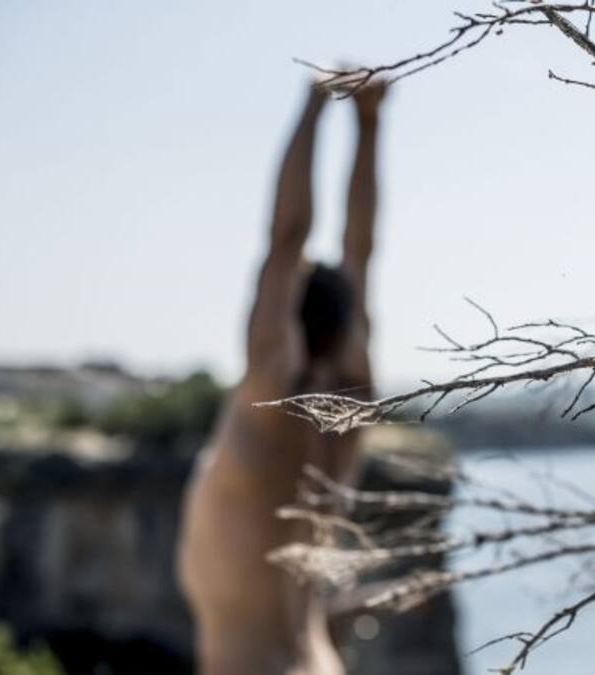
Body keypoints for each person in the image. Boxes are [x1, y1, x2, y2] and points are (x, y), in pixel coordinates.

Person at [178, 78, 385, 675]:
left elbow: (287, 237)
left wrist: (315, 102)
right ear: (346, 331)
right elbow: (361, 253)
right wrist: (370, 123)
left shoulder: (267, 408)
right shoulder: (349, 415)